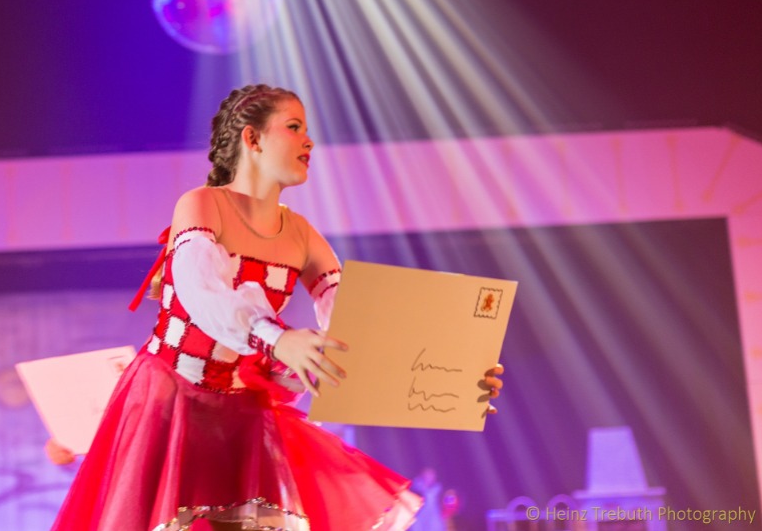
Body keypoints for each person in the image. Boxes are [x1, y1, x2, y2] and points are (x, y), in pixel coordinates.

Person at [50, 84, 505, 531]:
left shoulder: (303, 234)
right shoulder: (202, 204)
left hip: (241, 420)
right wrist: (277, 339)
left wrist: (453, 376)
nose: (309, 141)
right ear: (252, 138)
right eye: (294, 127)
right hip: (169, 405)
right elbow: (201, 292)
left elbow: (358, 325)